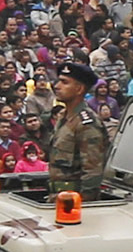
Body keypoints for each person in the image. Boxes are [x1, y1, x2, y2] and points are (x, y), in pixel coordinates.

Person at [42, 60, 111, 191]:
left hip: (74, 200)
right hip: (57, 195)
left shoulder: (87, 124)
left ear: (79, 89)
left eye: (64, 82)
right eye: (58, 81)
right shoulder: (63, 116)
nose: (57, 86)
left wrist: (83, 203)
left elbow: (92, 172)